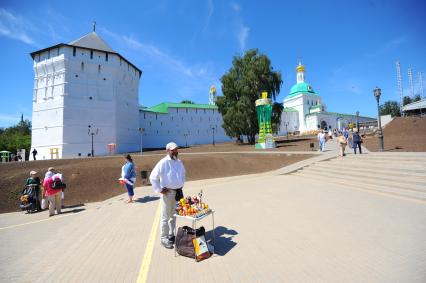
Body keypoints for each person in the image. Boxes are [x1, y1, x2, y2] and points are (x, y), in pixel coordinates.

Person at [150, 142, 186, 249]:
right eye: (172, 150)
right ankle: (163, 238)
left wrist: (181, 184)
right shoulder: (163, 162)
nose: (175, 151)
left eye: (176, 149)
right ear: (167, 151)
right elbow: (153, 177)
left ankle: (171, 235)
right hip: (168, 193)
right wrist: (160, 190)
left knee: (173, 215)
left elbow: (183, 174)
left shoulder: (179, 162)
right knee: (165, 216)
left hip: (177, 192)